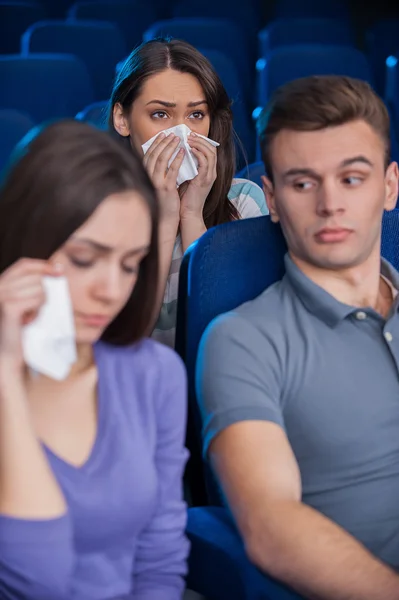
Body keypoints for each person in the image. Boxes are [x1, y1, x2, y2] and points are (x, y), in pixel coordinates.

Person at [196, 75, 399, 599]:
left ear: (390, 186)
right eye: (303, 183)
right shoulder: (241, 339)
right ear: (272, 198)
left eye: (352, 178)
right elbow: (272, 528)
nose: (330, 204)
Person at [0, 120, 189, 600]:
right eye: (85, 259)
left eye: (130, 264)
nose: (111, 291)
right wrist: (6, 374)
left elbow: (160, 559)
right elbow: (36, 579)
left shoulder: (153, 373)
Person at [110, 38, 268, 347]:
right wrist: (166, 219)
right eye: (160, 115)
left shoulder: (245, 202)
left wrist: (191, 215)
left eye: (196, 115)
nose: (181, 133)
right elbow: (124, 339)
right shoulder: (98, 208)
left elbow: (231, 338)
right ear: (122, 119)